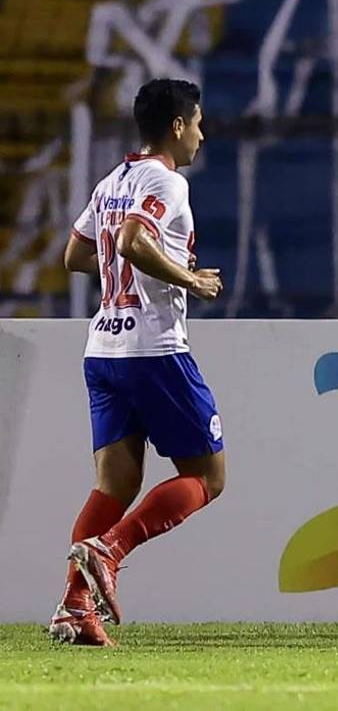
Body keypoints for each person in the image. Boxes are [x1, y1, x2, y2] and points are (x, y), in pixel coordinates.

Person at [50, 79, 225, 647]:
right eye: (197, 123)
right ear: (177, 125)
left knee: (115, 483)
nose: (201, 135)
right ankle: (111, 550)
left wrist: (121, 273)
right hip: (153, 350)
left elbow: (77, 254)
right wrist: (189, 278)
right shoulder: (165, 181)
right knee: (208, 477)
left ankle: (75, 608)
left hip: (103, 349)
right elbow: (130, 242)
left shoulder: (112, 181)